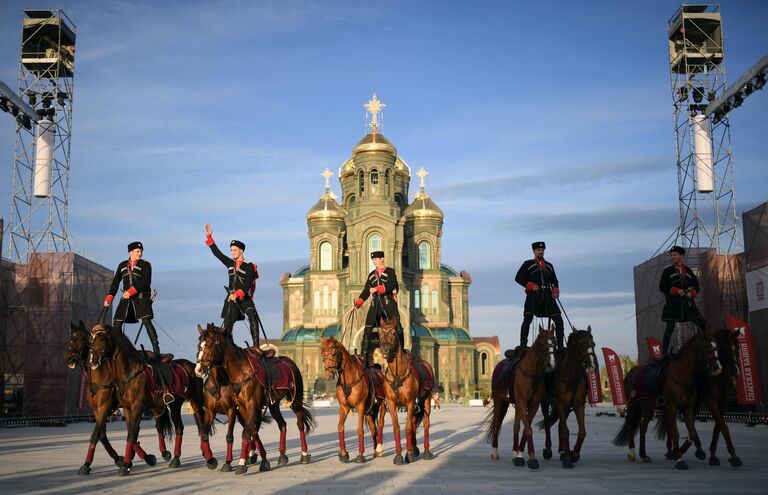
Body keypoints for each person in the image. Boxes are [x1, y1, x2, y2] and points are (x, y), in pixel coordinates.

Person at [204, 224, 261, 347]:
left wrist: (238, 294)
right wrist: (209, 237)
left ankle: (256, 347)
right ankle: (227, 348)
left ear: (241, 250)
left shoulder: (249, 265)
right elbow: (217, 253)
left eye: (234, 250)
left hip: (244, 297)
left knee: (252, 316)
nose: (232, 252)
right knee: (227, 324)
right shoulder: (229, 263)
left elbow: (248, 282)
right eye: (231, 250)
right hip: (231, 298)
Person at [104, 241, 161, 354]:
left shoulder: (146, 264)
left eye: (141, 252)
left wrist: (130, 291)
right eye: (137, 251)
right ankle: (119, 349)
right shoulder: (122, 265)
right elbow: (115, 283)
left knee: (146, 321)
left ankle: (156, 349)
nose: (140, 254)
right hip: (126, 299)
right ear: (130, 252)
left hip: (141, 298)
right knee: (116, 325)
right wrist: (109, 298)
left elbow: (145, 281)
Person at [354, 250, 402, 367]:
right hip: (375, 305)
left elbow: (392, 284)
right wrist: (357, 303)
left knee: (398, 326)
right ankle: (363, 356)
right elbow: (366, 290)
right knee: (368, 327)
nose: (374, 262)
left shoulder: (390, 271)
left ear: (382, 259)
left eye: (376, 259)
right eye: (373, 260)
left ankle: (402, 351)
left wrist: (377, 289)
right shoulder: (371, 275)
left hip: (388, 302)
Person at [514, 241, 565, 352]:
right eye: (538, 250)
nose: (540, 252)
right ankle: (523, 345)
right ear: (534, 251)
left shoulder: (549, 266)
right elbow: (518, 277)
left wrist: (555, 290)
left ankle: (560, 346)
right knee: (527, 319)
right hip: (533, 296)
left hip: (548, 296)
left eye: (542, 250)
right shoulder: (527, 264)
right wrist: (530, 285)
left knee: (559, 319)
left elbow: (554, 281)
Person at [659, 245, 707, 355]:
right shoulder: (667, 271)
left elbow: (696, 286)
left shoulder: (689, 271)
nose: (673, 257)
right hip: (673, 305)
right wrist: (676, 290)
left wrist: (691, 293)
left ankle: (708, 349)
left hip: (688, 304)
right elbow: (662, 286)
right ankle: (664, 354)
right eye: (672, 255)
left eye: (675, 255)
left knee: (704, 324)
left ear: (681, 256)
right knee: (669, 328)